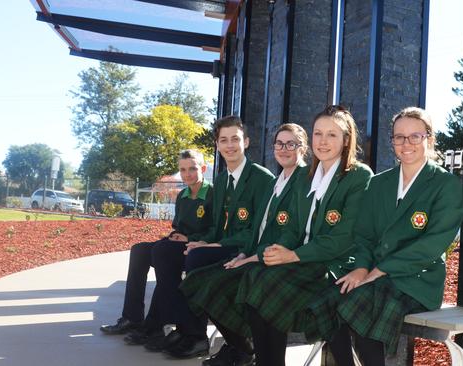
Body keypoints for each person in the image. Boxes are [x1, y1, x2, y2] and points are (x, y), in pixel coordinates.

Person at [328, 107, 463, 365]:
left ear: (429, 139)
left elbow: (433, 245)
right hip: (375, 275)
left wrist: (381, 269)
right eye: (399, 137)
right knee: (332, 297)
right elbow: (364, 236)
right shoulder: (379, 183)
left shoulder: (445, 185)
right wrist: (360, 268)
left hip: (417, 280)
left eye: (415, 136)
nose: (406, 143)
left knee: (365, 304)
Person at [237, 105, 373, 366]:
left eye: (332, 135)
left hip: (336, 264)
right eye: (318, 134)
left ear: (346, 140)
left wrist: (293, 255)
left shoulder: (358, 176)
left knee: (268, 285)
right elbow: (294, 229)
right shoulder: (307, 176)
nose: (323, 141)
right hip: (305, 260)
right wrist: (277, 250)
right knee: (255, 275)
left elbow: (344, 238)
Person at [181, 123, 309, 366]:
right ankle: (243, 349)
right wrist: (243, 254)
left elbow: (290, 231)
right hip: (256, 255)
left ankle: (255, 355)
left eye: (291, 144)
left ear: (303, 148)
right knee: (202, 285)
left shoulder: (303, 179)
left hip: (280, 261)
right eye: (279, 144)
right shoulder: (278, 180)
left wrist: (254, 257)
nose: (284, 149)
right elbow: (259, 229)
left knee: (238, 286)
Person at [160, 115, 275, 359]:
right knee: (175, 252)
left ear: (246, 142)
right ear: (217, 145)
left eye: (235, 139)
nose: (230, 145)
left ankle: (239, 345)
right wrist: (202, 241)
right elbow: (216, 225)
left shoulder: (262, 178)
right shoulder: (221, 180)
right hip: (223, 245)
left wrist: (215, 244)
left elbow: (257, 230)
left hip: (246, 248)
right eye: (224, 140)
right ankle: (192, 332)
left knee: (196, 261)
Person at [100, 149, 213, 343]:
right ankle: (132, 318)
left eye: (192, 169)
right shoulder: (183, 196)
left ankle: (156, 324)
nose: (187, 174)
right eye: (183, 170)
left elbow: (216, 229)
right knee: (139, 251)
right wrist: (176, 235)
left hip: (198, 247)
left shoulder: (212, 194)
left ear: (202, 168)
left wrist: (189, 238)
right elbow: (178, 226)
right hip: (178, 245)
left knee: (163, 254)